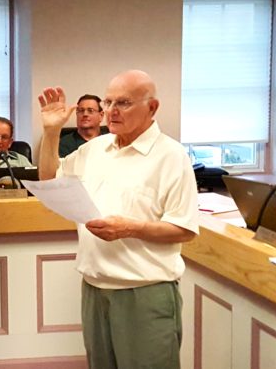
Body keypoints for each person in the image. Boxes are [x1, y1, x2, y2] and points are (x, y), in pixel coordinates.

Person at [37, 70, 198, 369]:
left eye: (123, 103)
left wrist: (131, 228)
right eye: (108, 101)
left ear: (152, 107)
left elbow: (184, 229)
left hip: (144, 292)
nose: (111, 111)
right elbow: (48, 179)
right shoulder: (97, 148)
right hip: (95, 288)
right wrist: (50, 133)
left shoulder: (171, 156)